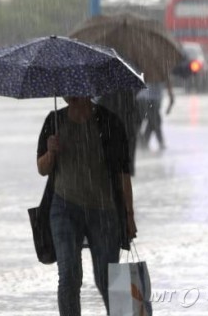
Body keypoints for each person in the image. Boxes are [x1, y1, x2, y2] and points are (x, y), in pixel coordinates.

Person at [36, 96, 137, 316]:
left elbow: (122, 173)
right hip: (63, 208)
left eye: (76, 89)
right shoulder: (54, 121)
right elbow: (42, 168)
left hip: (104, 210)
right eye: (66, 90)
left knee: (107, 277)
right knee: (69, 275)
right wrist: (51, 151)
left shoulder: (109, 122)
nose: (70, 94)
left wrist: (129, 215)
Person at [136, 80, 174, 150]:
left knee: (151, 122)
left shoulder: (159, 72)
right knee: (155, 122)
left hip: (145, 98)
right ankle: (159, 143)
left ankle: (143, 142)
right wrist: (171, 101)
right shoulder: (160, 72)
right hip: (149, 99)